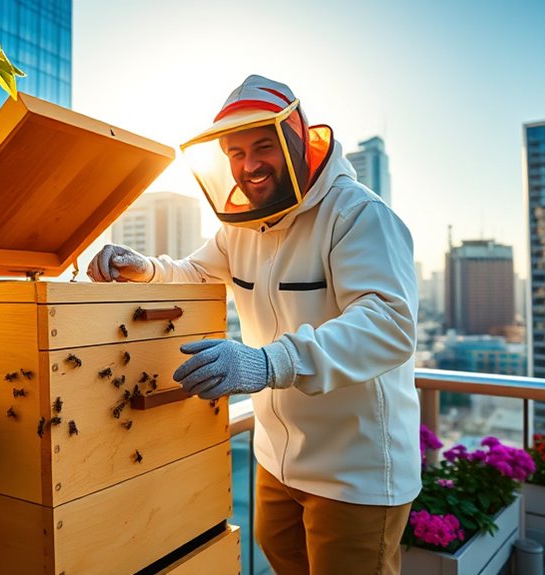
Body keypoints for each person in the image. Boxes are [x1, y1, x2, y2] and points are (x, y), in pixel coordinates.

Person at [87, 75, 421, 575]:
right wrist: (146, 268)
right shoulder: (238, 228)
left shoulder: (357, 214)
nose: (249, 165)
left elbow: (388, 324)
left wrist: (267, 362)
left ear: (297, 140)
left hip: (356, 470)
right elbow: (194, 274)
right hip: (276, 457)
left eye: (263, 146)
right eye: (236, 153)